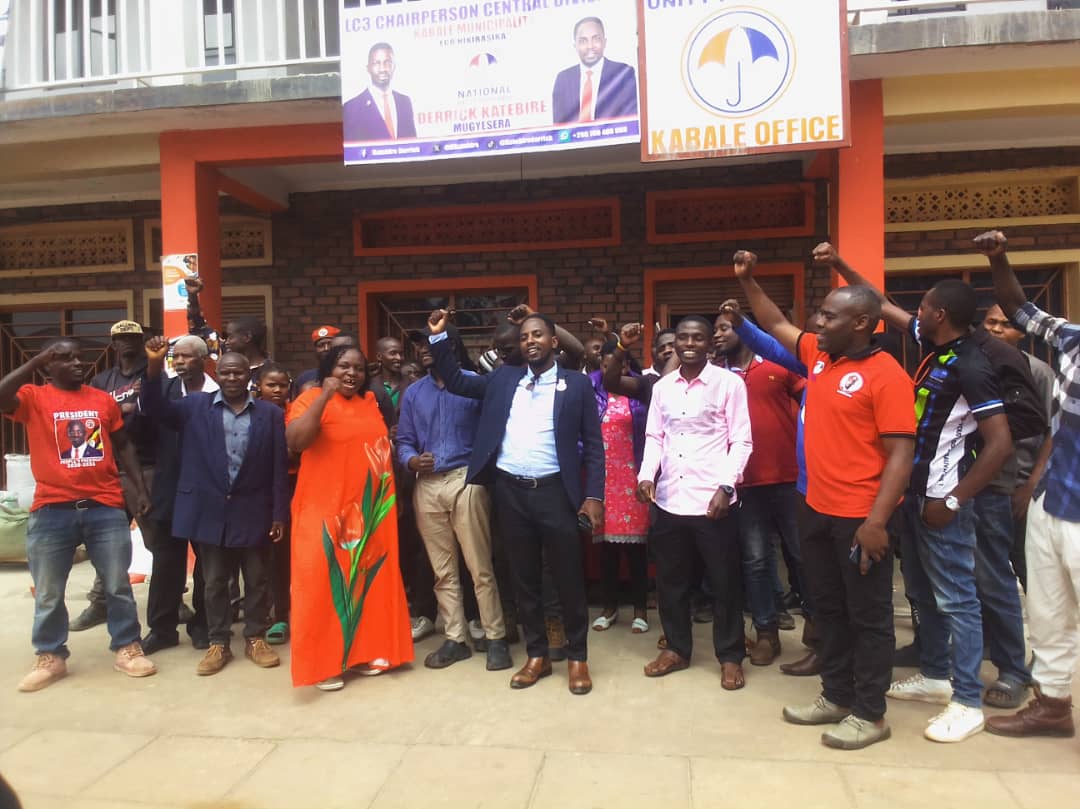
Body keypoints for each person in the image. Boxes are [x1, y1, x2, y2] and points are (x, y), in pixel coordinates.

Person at [823, 244, 1015, 742]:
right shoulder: (934, 345)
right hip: (912, 496)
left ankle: (967, 700)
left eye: (924, 306)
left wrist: (954, 500)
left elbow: (1000, 443)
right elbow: (880, 303)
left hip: (941, 501)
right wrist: (840, 264)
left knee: (958, 600)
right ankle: (934, 674)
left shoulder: (971, 365)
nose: (916, 312)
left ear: (940, 314)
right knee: (924, 594)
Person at [736, 249, 915, 750]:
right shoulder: (820, 355)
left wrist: (876, 522)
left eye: (829, 316)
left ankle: (870, 714)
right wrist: (749, 281)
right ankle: (836, 695)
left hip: (861, 519)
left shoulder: (886, 375)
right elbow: (775, 323)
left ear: (861, 323)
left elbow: (901, 455)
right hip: (814, 508)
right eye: (819, 314)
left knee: (868, 618)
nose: (817, 322)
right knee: (829, 609)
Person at [427, 308, 604, 695]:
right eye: (524, 337)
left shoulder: (575, 384)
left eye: (537, 335)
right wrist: (438, 337)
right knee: (524, 578)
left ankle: (577, 657)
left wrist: (593, 496)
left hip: (556, 493)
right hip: (510, 493)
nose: (530, 341)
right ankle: (537, 655)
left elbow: (593, 445)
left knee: (568, 578)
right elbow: (456, 380)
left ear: (553, 342)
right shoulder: (503, 378)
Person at [1, 338, 157, 691]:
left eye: (78, 357)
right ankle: (50, 655)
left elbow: (123, 445)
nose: (77, 363)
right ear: (47, 365)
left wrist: (140, 490)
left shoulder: (102, 400)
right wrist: (34, 361)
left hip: (104, 506)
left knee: (117, 585)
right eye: (65, 358)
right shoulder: (33, 397)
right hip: (51, 509)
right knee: (48, 591)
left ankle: (127, 647)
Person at [979, 230, 1079, 739]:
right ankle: (1053, 706)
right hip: (1053, 499)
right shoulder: (1072, 339)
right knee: (1048, 614)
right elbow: (1022, 310)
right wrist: (999, 258)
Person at [140, 339, 288, 676]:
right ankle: (218, 642)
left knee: (257, 579)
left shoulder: (270, 414)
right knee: (215, 581)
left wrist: (279, 513)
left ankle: (255, 637)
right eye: (225, 373)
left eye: (238, 373)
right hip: (209, 510)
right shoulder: (194, 406)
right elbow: (153, 407)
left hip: (254, 509)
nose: (232, 378)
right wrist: (153, 365)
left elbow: (278, 468)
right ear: (216, 374)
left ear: (249, 377)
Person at [286, 343, 413, 691]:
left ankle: (367, 652)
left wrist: (393, 496)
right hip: (323, 509)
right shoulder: (310, 399)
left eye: (358, 368)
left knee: (368, 581)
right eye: (343, 366)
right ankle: (324, 664)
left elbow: (380, 451)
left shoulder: (370, 402)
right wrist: (323, 397)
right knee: (321, 583)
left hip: (369, 510)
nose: (351, 373)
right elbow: (296, 441)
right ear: (329, 367)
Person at [636, 315, 752, 689]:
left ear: (709, 343)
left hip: (712, 501)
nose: (689, 343)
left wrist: (726, 487)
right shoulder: (663, 387)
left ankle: (730, 656)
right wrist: (646, 475)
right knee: (671, 582)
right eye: (683, 337)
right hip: (670, 498)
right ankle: (676, 649)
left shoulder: (729, 384)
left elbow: (741, 441)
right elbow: (655, 436)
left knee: (724, 582)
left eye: (697, 338)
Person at [397, 329, 512, 671]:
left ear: (452, 348)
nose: (423, 349)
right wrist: (410, 460)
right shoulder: (413, 393)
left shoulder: (474, 384)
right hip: (428, 484)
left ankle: (495, 637)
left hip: (466, 479)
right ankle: (455, 638)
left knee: (480, 566)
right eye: (419, 345)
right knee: (442, 571)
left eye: (431, 343)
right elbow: (404, 439)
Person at [713, 309, 806, 666]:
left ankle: (818, 626)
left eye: (725, 328)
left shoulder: (779, 366)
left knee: (802, 555)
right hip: (744, 484)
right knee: (755, 561)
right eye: (715, 329)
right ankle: (767, 632)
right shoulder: (716, 377)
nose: (718, 335)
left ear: (746, 329)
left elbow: (811, 403)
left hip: (788, 477)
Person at [69, 320, 156, 631]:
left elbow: (155, 412)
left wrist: (130, 409)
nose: (127, 342)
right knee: (106, 543)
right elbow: (92, 421)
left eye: (133, 337)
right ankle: (101, 603)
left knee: (157, 540)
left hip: (147, 465)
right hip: (109, 469)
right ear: (114, 344)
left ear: (142, 340)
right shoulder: (102, 380)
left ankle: (170, 601)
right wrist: (125, 409)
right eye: (121, 338)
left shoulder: (153, 373)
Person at [139, 335, 218, 655]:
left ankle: (203, 626)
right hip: (170, 489)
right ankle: (162, 629)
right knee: (166, 562)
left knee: (208, 565)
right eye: (176, 357)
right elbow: (150, 409)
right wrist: (154, 364)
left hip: (209, 492)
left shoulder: (220, 392)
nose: (180, 361)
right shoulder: (166, 389)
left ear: (204, 359)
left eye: (187, 356)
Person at [982, 303, 1054, 593]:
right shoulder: (975, 366)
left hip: (1021, 486)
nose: (997, 330)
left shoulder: (1038, 372)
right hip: (982, 485)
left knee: (1028, 568)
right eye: (991, 322)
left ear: (1022, 333)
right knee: (987, 572)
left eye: (1006, 324)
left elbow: (1052, 432)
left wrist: (1031, 486)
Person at [589, 340, 651, 634]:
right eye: (605, 365)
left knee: (636, 551)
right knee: (607, 551)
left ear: (627, 365)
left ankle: (640, 609)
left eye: (618, 364)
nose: (611, 369)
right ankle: (609, 608)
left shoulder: (640, 392)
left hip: (633, 478)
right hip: (604, 479)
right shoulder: (593, 393)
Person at [255, 362, 296, 646]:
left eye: (283, 385)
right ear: (259, 386)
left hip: (294, 486)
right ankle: (272, 613)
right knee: (266, 557)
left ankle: (287, 613)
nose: (278, 390)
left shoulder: (296, 411)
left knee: (287, 554)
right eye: (271, 385)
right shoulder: (252, 412)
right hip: (261, 490)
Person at [552, 17, 638, 124]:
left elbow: (630, 121)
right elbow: (559, 126)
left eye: (596, 39)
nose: (590, 46)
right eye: (583, 41)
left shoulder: (623, 73)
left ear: (604, 42)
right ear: (575, 46)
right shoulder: (563, 79)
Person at [342, 42, 417, 142]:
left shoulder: (404, 102)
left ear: (394, 66)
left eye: (387, 62)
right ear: (368, 68)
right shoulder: (352, 108)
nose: (382, 69)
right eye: (376, 63)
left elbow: (413, 143)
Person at [293, 326, 340, 397]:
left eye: (330, 344)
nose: (326, 348)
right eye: (321, 345)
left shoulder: (347, 375)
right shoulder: (304, 378)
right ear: (315, 350)